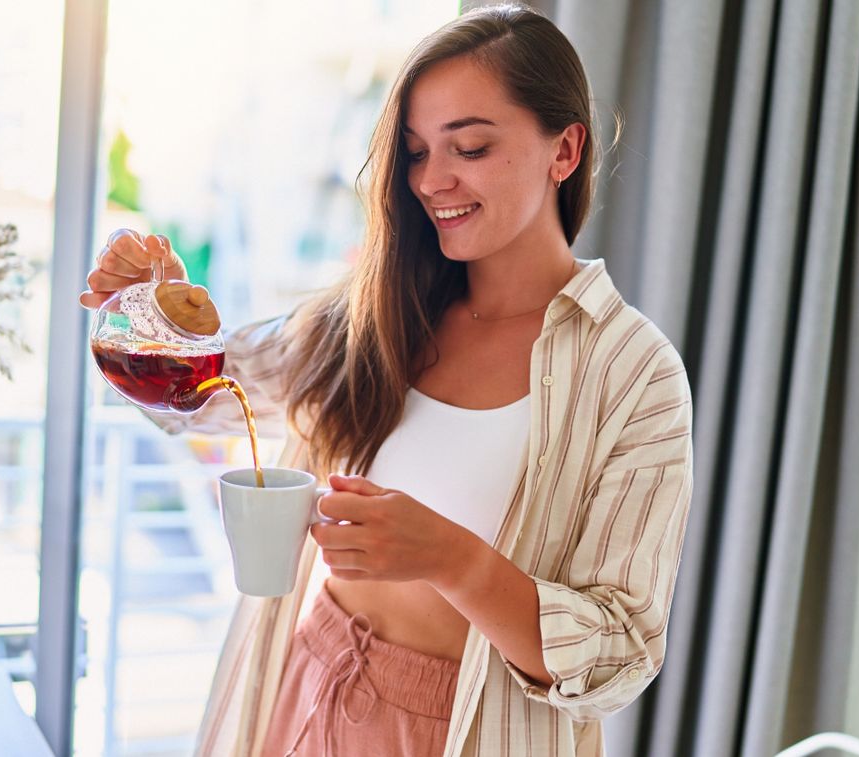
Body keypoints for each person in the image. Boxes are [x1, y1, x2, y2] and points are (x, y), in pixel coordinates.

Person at [80, 4, 693, 756]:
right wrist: (152, 312)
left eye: (468, 146)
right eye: (413, 151)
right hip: (308, 679)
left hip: (463, 730)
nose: (432, 180)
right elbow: (203, 397)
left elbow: (618, 656)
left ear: (564, 150)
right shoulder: (374, 312)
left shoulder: (632, 374)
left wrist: (451, 557)